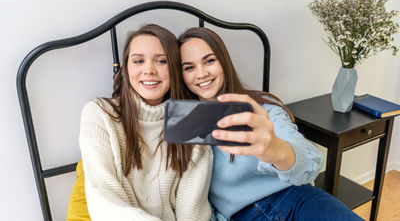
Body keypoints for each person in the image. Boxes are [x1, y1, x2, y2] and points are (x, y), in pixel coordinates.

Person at [178, 27, 364, 221]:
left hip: (295, 199)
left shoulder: (261, 107)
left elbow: (310, 161)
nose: (201, 73)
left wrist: (276, 149)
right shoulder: (183, 123)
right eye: (189, 67)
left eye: (209, 61)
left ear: (223, 61)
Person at [74, 24, 213, 221]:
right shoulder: (99, 114)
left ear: (175, 68)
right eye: (138, 61)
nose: (149, 70)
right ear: (126, 68)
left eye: (161, 61)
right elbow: (104, 201)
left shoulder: (194, 122)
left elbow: (193, 212)